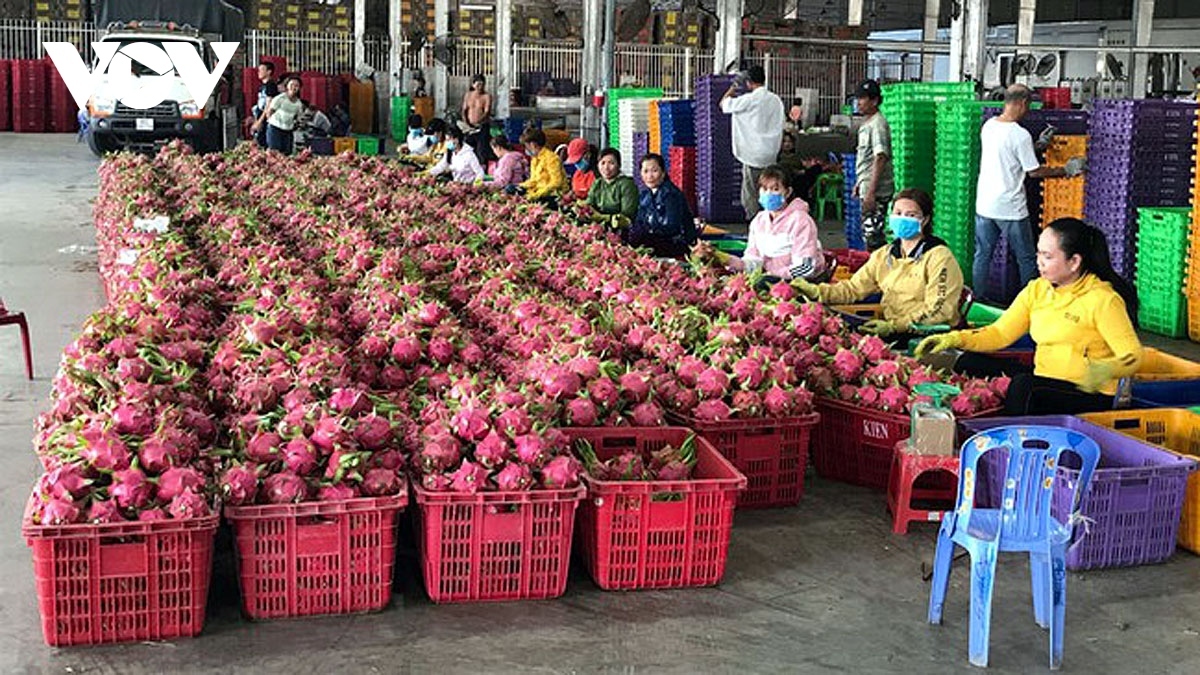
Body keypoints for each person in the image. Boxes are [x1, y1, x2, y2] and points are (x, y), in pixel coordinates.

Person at [916, 218, 1141, 415]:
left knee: (1024, 386)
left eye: (1048, 256)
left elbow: (1133, 355)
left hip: (1088, 394)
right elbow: (1000, 333)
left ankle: (1009, 441)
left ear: (1074, 262)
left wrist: (1107, 369)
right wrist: (955, 339)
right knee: (968, 362)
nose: (1039, 262)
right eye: (1038, 253)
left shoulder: (1103, 299)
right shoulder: (1037, 290)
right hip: (1045, 379)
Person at [792, 188, 964, 344]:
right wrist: (818, 292)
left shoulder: (939, 257)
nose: (902, 219)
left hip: (925, 335)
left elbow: (940, 312)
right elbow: (853, 289)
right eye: (898, 213)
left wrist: (895, 327)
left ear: (925, 220)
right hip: (890, 328)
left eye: (911, 215)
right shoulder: (885, 255)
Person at [974, 83, 1085, 302]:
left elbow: (1008, 153)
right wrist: (1066, 170)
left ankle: (976, 299)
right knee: (1026, 258)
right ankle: (1032, 304)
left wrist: (1038, 146)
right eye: (1028, 106)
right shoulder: (1019, 134)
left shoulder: (989, 126)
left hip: (985, 205)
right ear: (1022, 103)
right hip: (1011, 208)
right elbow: (1033, 171)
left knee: (983, 255)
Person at [693, 165, 826, 282]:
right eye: (764, 189)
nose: (768, 194)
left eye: (775, 189)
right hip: (769, 280)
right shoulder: (759, 221)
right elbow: (753, 261)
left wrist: (775, 276)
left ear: (787, 192)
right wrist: (724, 258)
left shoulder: (801, 221)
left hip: (798, 283)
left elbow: (806, 268)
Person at [720, 65, 785, 221]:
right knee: (771, 189)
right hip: (771, 153)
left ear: (749, 82)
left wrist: (734, 87)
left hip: (752, 155)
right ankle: (773, 219)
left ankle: (756, 223)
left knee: (751, 193)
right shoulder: (775, 100)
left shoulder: (749, 100)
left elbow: (724, 104)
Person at [626, 153, 696, 259]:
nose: (650, 176)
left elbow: (671, 227)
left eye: (654, 171)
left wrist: (645, 233)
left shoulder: (670, 194)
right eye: (645, 171)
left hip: (674, 243)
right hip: (656, 241)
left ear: (663, 173)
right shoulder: (645, 195)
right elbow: (639, 221)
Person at [852, 79, 895, 251]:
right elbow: (867, 158)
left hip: (876, 192)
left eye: (862, 99)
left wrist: (870, 192)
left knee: (873, 238)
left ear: (875, 100)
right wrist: (860, 183)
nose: (859, 103)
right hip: (868, 186)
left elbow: (880, 157)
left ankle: (878, 273)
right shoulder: (868, 123)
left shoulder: (878, 124)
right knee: (869, 234)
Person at [508, 128, 569, 205]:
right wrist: (521, 186)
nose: (526, 149)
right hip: (538, 190)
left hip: (553, 194)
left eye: (526, 146)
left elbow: (556, 183)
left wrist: (537, 194)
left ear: (533, 145)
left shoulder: (552, 158)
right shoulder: (534, 159)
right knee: (510, 188)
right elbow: (534, 180)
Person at [252, 76, 304, 155]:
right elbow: (269, 112)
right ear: (287, 86)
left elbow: (298, 118)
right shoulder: (280, 98)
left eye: (296, 85)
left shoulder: (298, 104)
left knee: (287, 154)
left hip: (288, 131)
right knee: (274, 154)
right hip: (275, 130)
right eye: (292, 85)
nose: (294, 87)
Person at [586, 148, 639, 225]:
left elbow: (627, 214)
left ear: (619, 165)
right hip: (597, 226)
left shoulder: (627, 184)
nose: (606, 167)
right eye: (603, 163)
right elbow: (589, 204)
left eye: (611, 163)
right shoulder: (598, 183)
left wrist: (602, 217)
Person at [460, 74, 495, 164]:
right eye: (478, 85)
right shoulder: (468, 95)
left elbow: (487, 112)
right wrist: (467, 123)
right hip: (469, 127)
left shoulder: (487, 96)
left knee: (481, 150)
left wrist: (478, 122)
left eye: (482, 85)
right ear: (473, 85)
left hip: (482, 126)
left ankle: (482, 167)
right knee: (468, 148)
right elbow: (464, 110)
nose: (480, 87)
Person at [247, 60, 279, 148]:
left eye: (262, 70)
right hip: (260, 116)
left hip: (265, 119)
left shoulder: (270, 85)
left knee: (263, 144)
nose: (259, 72)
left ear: (269, 72)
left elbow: (268, 105)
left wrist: (259, 122)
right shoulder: (263, 86)